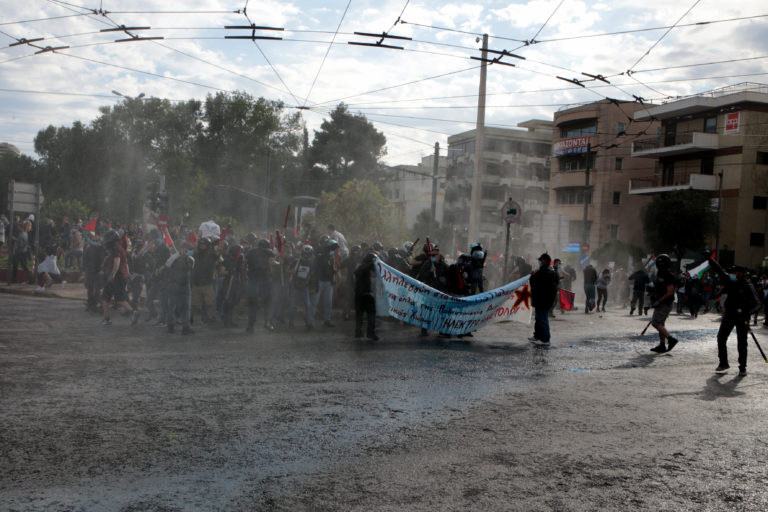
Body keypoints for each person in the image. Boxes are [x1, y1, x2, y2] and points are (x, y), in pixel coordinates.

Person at [708, 259, 761, 376]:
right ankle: (723, 363)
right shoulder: (730, 282)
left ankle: (742, 367)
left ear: (741, 273)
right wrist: (709, 259)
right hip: (729, 315)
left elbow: (758, 304)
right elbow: (719, 270)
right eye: (732, 272)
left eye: (735, 272)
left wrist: (747, 314)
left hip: (742, 318)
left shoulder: (748, 286)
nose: (733, 274)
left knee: (742, 343)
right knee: (721, 338)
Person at [100, 229, 140, 326]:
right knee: (119, 299)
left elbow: (117, 262)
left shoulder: (114, 249)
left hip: (116, 278)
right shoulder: (120, 248)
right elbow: (125, 263)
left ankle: (107, 319)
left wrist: (112, 275)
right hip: (122, 277)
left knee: (106, 298)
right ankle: (132, 312)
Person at [648, 254, 678, 353]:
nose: (661, 264)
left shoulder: (669, 275)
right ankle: (662, 345)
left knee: (656, 323)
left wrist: (659, 301)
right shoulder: (660, 274)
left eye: (662, 262)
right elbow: (659, 287)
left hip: (665, 303)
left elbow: (670, 291)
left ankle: (671, 339)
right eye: (659, 262)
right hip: (661, 302)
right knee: (660, 324)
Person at [529, 253, 558, 346]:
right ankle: (538, 335)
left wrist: (533, 276)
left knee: (543, 319)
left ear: (544, 261)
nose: (539, 262)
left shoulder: (545, 272)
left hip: (543, 300)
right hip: (542, 299)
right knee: (539, 318)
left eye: (541, 260)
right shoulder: (548, 271)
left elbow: (536, 284)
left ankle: (545, 339)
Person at [165, 244, 195, 335]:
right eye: (184, 248)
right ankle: (171, 326)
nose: (185, 250)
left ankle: (185, 327)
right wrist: (178, 256)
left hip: (184, 285)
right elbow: (167, 265)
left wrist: (183, 257)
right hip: (175, 284)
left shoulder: (190, 259)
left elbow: (190, 267)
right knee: (172, 306)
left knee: (185, 307)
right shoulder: (173, 258)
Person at [353, 251, 379, 340]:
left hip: (360, 294)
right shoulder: (363, 267)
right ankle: (370, 333)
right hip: (365, 294)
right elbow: (364, 269)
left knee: (359, 314)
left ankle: (358, 332)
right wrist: (373, 262)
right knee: (371, 314)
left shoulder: (361, 267)